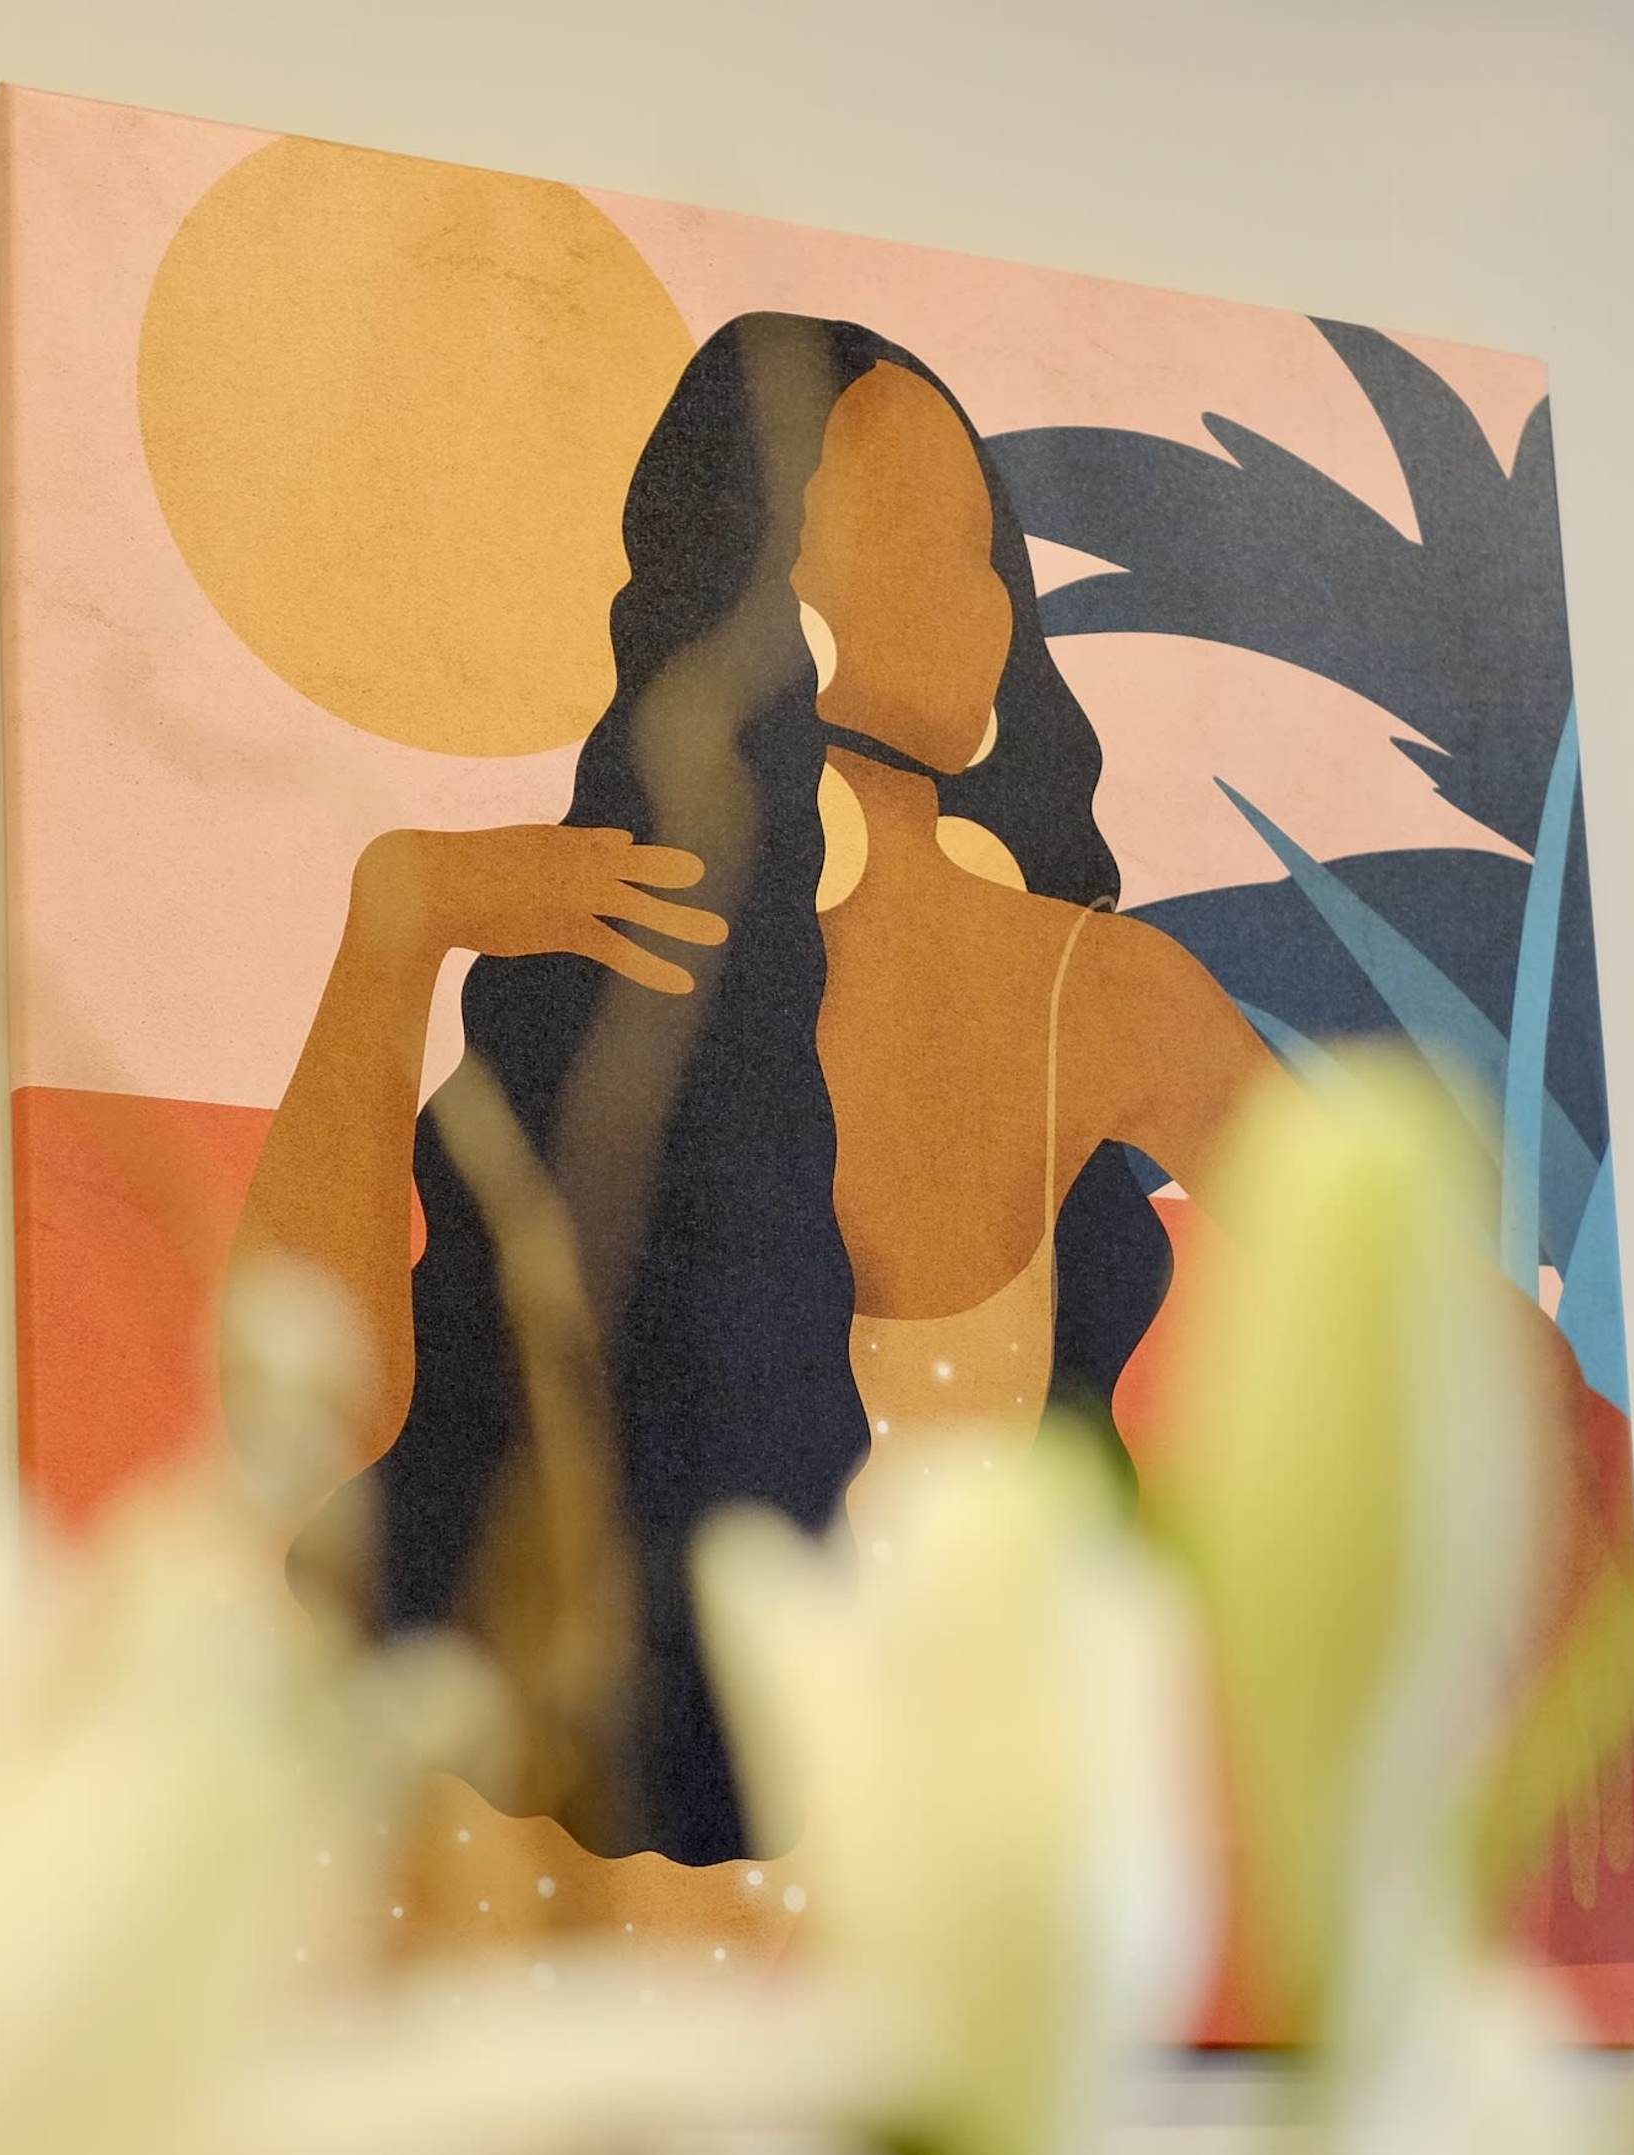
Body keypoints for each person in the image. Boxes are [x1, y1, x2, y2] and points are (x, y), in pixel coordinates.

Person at [236, 313, 1281, 1931]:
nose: (995, 606)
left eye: (991, 555)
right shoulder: (613, 980)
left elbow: (1422, 1330)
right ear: (761, 585)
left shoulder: (1098, 993)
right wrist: (398, 926)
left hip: (938, 1943)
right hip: (578, 1927)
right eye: (937, 543)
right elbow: (311, 1409)